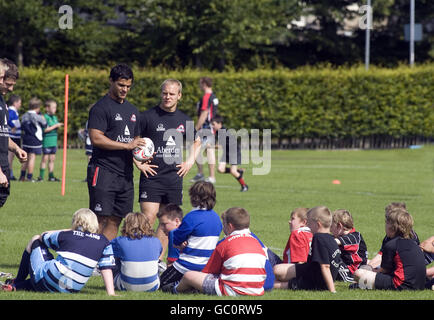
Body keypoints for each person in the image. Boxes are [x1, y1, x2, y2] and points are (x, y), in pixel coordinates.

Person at [136, 79, 202, 257]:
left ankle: (156, 260)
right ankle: (139, 257)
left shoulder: (184, 120)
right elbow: (133, 141)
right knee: (148, 218)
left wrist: (189, 161)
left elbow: (197, 142)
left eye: (172, 94)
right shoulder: (147, 117)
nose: (167, 97)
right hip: (152, 176)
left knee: (167, 223)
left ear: (179, 96)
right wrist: (138, 162)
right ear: (161, 93)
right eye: (165, 93)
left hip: (173, 178)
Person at [87, 63, 147, 241]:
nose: (125, 89)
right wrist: (126, 146)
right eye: (121, 85)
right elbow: (96, 138)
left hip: (125, 175)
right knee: (99, 218)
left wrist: (140, 158)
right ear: (111, 81)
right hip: (103, 171)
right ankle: (88, 257)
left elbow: (135, 143)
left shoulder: (133, 110)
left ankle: (103, 258)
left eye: (128, 86)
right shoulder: (100, 108)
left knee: (116, 219)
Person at [1, 208, 117, 295]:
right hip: (72, 289)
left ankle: (17, 281)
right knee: (51, 275)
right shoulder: (104, 241)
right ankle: (16, 287)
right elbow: (106, 268)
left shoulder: (68, 235)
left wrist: (68, 230)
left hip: (48, 279)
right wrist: (111, 293)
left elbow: (43, 236)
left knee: (35, 239)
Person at [171, 207, 267, 296]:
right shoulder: (257, 242)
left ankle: (174, 290)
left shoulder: (225, 244)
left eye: (223, 224)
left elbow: (208, 272)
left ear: (230, 226)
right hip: (257, 289)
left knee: (189, 275)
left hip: (231, 289)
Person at [160, 181, 222, 290]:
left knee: (161, 284)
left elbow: (177, 238)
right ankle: (191, 286)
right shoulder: (217, 218)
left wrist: (179, 243)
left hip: (187, 264)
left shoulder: (192, 217)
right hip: (207, 265)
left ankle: (183, 287)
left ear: (194, 198)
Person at [273, 206, 347, 293]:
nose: (307, 225)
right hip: (312, 271)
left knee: (277, 273)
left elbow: (325, 266)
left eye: (309, 223)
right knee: (278, 270)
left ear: (318, 224)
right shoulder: (332, 239)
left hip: (313, 280)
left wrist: (332, 290)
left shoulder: (318, 238)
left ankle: (261, 283)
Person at [353, 208, 426, 290]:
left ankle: (364, 285)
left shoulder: (391, 245)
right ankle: (364, 284)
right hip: (420, 285)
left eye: (386, 223)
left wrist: (369, 272)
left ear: (392, 227)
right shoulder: (414, 243)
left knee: (359, 273)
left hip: (400, 284)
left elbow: (383, 271)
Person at [110, 212, 162, 292]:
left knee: (113, 259)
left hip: (124, 286)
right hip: (153, 286)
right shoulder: (156, 241)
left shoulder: (119, 241)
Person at [0, 59, 27, 207]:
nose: (10, 89)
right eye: (7, 84)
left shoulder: (2, 101)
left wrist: (16, 148)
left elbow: (2, 133)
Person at [190, 77, 218, 184]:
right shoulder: (213, 96)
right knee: (207, 150)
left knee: (198, 148)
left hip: (205, 127)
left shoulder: (207, 97)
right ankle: (206, 175)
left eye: (200, 84)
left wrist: (196, 127)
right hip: (210, 128)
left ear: (204, 84)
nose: (199, 86)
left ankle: (206, 175)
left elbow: (204, 114)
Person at [210, 115, 248, 192]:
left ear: (219, 123)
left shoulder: (223, 131)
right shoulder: (219, 131)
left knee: (233, 172)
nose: (212, 126)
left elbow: (220, 146)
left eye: (213, 124)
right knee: (220, 169)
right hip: (227, 152)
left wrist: (210, 146)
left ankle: (244, 186)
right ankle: (239, 171)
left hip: (234, 152)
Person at [331, 209, 368, 281]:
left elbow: (333, 242)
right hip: (346, 267)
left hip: (352, 272)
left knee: (332, 262)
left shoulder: (354, 237)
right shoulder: (341, 236)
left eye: (331, 226)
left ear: (339, 226)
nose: (330, 230)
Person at [20, 97, 47, 182]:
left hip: (26, 139)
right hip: (35, 139)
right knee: (32, 158)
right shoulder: (38, 116)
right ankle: (29, 177)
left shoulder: (24, 115)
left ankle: (22, 177)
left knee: (25, 157)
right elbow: (45, 125)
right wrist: (42, 117)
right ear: (38, 107)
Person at [37, 99, 63, 182]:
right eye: (53, 107)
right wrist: (56, 126)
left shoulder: (54, 117)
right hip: (47, 141)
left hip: (53, 141)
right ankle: (41, 177)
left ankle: (51, 176)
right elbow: (45, 130)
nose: (55, 109)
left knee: (52, 159)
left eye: (55, 108)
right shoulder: (44, 117)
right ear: (47, 108)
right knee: (45, 159)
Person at [156, 203, 184, 267]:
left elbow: (171, 264)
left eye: (164, 224)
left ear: (177, 221)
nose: (162, 228)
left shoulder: (174, 234)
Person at [7, 94, 22, 180]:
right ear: (14, 103)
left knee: (12, 157)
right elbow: (7, 119)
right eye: (19, 102)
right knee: (10, 156)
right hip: (12, 136)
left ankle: (10, 174)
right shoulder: (11, 111)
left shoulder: (15, 111)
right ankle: (9, 174)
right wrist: (12, 126)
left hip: (15, 136)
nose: (20, 104)